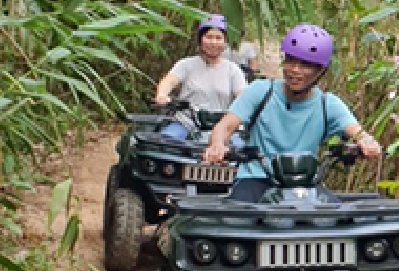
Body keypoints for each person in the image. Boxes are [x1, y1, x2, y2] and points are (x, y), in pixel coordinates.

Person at [202, 23, 382, 202]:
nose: (295, 70)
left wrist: (366, 142)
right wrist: (217, 145)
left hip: (305, 185)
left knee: (337, 220)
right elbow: (225, 127)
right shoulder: (261, 91)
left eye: (306, 65)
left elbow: (357, 131)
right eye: (291, 60)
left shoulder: (327, 104)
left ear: (320, 71)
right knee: (237, 219)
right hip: (256, 177)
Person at [154, 13, 247, 141]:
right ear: (200, 40)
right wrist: (162, 95)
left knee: (241, 151)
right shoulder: (186, 64)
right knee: (163, 145)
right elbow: (169, 80)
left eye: (218, 38)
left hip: (222, 126)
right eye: (209, 37)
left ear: (225, 42)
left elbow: (243, 97)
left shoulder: (233, 70)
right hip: (186, 123)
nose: (213, 42)